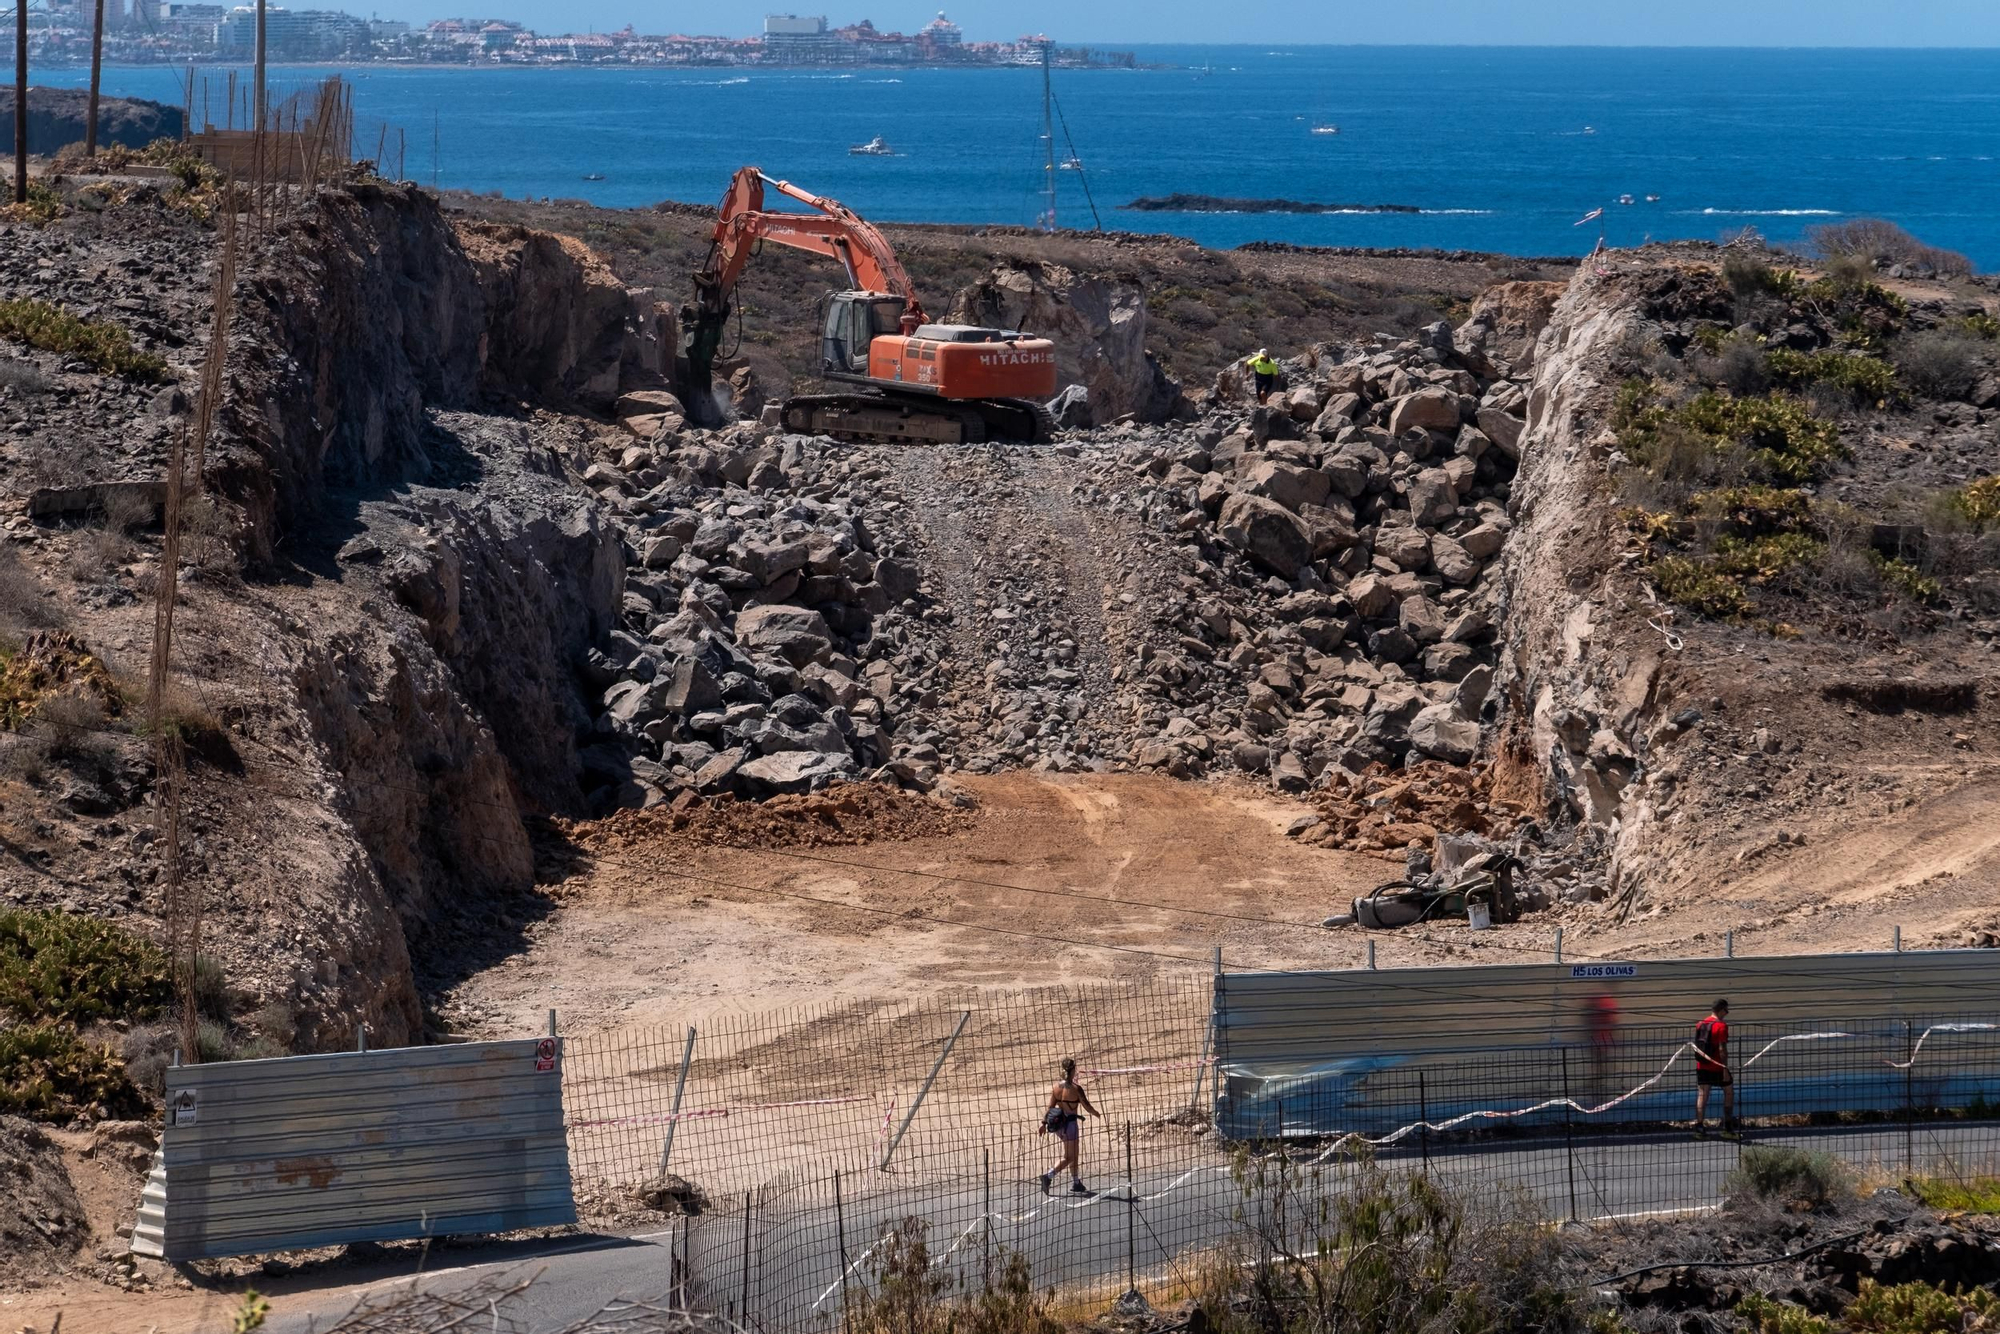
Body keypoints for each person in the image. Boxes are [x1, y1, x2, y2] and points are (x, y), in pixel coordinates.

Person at [1038, 1056, 1100, 1195]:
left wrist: (1043, 1124)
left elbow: (1050, 1108)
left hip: (1059, 1125)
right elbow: (1087, 1106)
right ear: (1073, 1070)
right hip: (1070, 1126)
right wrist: (1097, 1114)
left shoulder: (1056, 1088)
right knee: (1069, 1157)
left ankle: (1076, 1182)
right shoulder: (1076, 1089)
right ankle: (1048, 1176)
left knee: (1074, 1154)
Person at [1694, 998, 1738, 1136]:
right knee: (1729, 1092)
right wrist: (1724, 1069)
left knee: (1702, 1095)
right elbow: (1722, 1050)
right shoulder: (1721, 1026)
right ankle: (1728, 1128)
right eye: (1726, 1010)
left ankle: (1699, 1128)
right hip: (1717, 1066)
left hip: (1702, 1065)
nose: (1727, 1013)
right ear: (1721, 1010)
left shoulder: (1700, 1024)